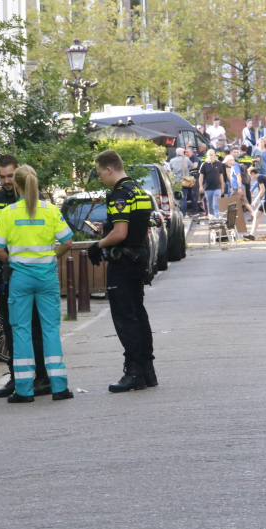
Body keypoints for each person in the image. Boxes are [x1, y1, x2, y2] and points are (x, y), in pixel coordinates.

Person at [0, 165, 75, 402]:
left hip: (20, 278)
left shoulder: (9, 212)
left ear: (17, 185)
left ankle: (24, 390)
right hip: (47, 277)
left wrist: (13, 261)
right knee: (50, 330)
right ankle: (59, 387)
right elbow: (68, 242)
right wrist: (51, 257)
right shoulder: (50, 210)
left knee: (21, 331)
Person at [87, 150, 157, 393]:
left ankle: (134, 372)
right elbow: (139, 229)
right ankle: (148, 370)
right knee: (138, 314)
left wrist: (98, 245)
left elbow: (120, 234)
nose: (100, 178)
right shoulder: (140, 192)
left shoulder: (118, 194)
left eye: (100, 173)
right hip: (139, 258)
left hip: (123, 262)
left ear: (109, 169)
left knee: (125, 317)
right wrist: (107, 228)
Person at [0, 154, 51, 398]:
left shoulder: (34, 197)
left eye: (10, 176)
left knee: (34, 326)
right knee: (10, 325)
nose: (6, 181)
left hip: (27, 272)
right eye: (2, 177)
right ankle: (16, 377)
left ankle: (41, 377)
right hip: (9, 271)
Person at [244, 168, 266, 241]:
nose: (251, 177)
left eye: (250, 175)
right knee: (256, 215)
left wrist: (255, 200)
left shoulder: (259, 177)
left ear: (252, 173)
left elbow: (263, 189)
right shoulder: (262, 176)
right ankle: (252, 235)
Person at [198, 149, 225, 218]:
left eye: (212, 155)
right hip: (208, 187)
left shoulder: (219, 164)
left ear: (214, 155)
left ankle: (217, 218)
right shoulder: (204, 164)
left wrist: (222, 187)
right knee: (209, 205)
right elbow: (201, 176)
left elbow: (221, 176)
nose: (210, 156)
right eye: (209, 155)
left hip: (217, 187)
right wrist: (201, 186)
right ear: (207, 155)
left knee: (216, 204)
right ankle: (211, 219)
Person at [171, 148, 196, 215]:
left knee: (176, 197)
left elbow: (169, 169)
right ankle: (183, 213)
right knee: (183, 197)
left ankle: (176, 213)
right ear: (182, 153)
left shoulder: (172, 160)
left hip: (175, 181)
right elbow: (192, 166)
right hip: (184, 181)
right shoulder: (186, 159)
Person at [184, 146, 202, 214]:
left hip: (195, 177)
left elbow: (195, 166)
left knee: (194, 193)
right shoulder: (185, 158)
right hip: (188, 177)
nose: (186, 153)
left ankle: (195, 209)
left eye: (188, 152)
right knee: (189, 193)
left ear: (192, 152)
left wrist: (185, 169)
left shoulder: (194, 158)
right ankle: (192, 208)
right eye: (185, 152)